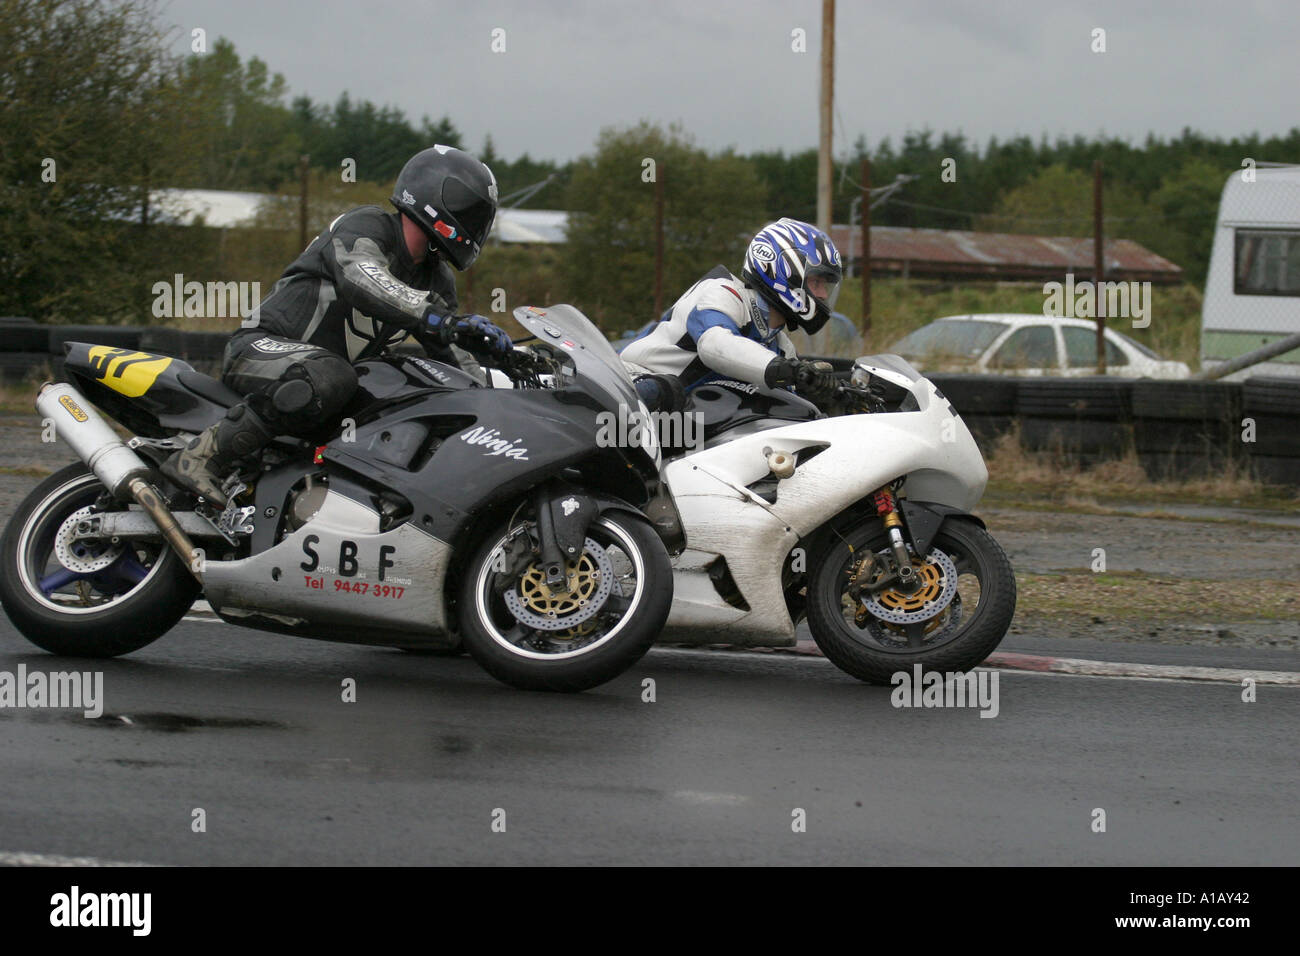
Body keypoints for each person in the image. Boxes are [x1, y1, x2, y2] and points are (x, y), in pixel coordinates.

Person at [163, 145, 513, 506]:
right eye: (470, 211)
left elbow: (459, 365)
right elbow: (360, 277)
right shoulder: (368, 225)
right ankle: (202, 457)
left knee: (399, 394)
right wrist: (440, 319)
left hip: (321, 383)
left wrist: (508, 378)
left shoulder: (436, 279)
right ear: (438, 197)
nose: (476, 223)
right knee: (332, 375)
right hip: (261, 349)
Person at [621, 218, 843, 410]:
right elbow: (714, 345)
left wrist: (832, 396)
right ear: (785, 271)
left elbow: (791, 401)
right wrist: (790, 371)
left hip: (678, 419)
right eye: (817, 282)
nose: (823, 294)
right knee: (663, 391)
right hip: (626, 385)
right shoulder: (723, 292)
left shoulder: (781, 347)